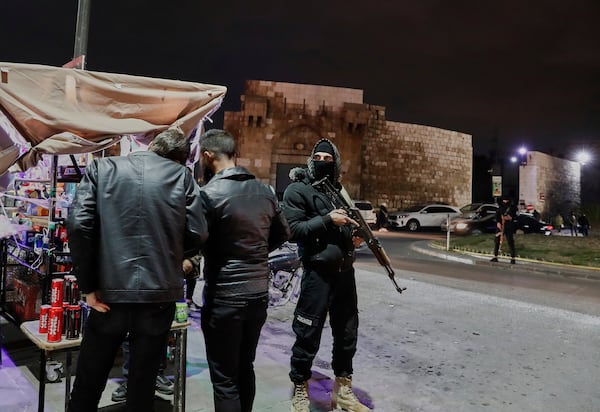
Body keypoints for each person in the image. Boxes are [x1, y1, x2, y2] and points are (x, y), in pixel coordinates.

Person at [66, 129, 208, 411]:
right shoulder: (182, 177)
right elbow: (198, 232)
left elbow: (79, 226)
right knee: (142, 385)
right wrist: (174, 254)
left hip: (107, 293)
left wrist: (87, 286)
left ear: (152, 146)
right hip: (158, 295)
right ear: (180, 160)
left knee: (89, 379)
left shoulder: (101, 167)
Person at [197, 129, 290, 412]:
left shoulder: (208, 194)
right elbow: (283, 233)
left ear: (207, 156)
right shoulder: (265, 191)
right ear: (234, 154)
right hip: (257, 295)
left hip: (224, 297)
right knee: (244, 366)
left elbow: (196, 239)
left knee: (224, 378)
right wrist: (257, 252)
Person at [283, 138, 371, 412]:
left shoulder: (339, 192)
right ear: (311, 161)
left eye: (327, 158)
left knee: (347, 334)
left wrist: (356, 238)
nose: (322, 162)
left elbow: (347, 230)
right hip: (317, 274)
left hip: (345, 274)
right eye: (317, 157)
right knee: (307, 333)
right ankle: (300, 388)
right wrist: (327, 220)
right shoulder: (298, 190)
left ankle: (343, 391)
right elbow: (294, 229)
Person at [490, 196, 518, 264]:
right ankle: (495, 256)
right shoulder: (501, 207)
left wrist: (510, 218)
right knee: (497, 241)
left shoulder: (512, 207)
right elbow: (497, 216)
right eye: (504, 200)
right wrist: (498, 222)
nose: (505, 201)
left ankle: (513, 258)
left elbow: (515, 216)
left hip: (508, 226)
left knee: (510, 241)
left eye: (506, 200)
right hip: (500, 226)